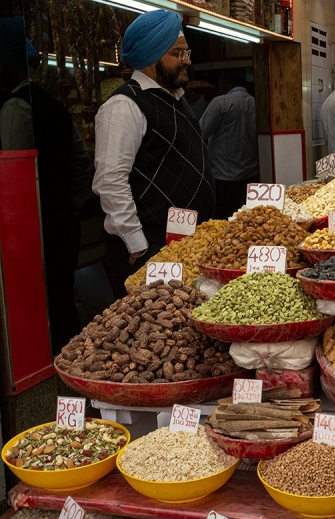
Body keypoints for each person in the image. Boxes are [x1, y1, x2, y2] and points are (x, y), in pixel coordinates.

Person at [93, 10, 215, 295]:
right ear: (152, 56)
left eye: (187, 51)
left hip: (182, 241)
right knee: (156, 329)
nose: (188, 60)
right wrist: (138, 246)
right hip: (149, 245)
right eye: (178, 53)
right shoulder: (124, 106)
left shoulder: (175, 98)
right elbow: (110, 182)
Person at [0, 16, 94, 354]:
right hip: (62, 221)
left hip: (33, 230)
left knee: (41, 305)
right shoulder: (54, 105)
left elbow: (12, 179)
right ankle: (70, 368)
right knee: (61, 299)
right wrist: (74, 201)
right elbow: (82, 163)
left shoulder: (15, 108)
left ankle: (51, 375)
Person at [200, 70, 257, 219]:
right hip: (251, 173)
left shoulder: (220, 102)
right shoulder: (256, 103)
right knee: (246, 219)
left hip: (224, 176)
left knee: (224, 219)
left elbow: (200, 132)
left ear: (224, 83)